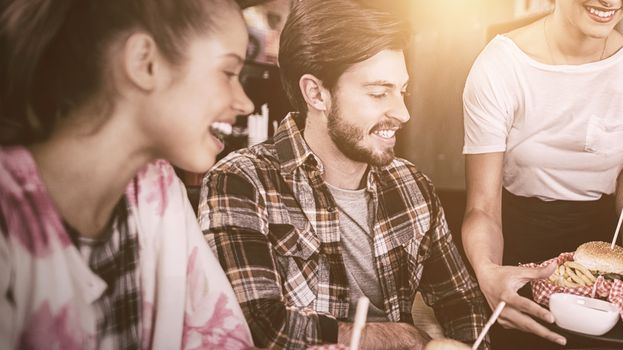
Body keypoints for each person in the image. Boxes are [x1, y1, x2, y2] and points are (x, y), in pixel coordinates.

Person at [197, 1, 490, 349]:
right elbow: (262, 326)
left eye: (403, 91)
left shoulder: (412, 186)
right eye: (379, 93)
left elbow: (462, 302)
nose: (403, 112)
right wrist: (404, 338)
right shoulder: (241, 182)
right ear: (316, 93)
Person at [0, 0, 254, 348]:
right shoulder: (8, 214)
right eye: (227, 73)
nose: (246, 103)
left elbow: (223, 337)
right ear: (144, 63)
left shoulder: (158, 191)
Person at [460, 0, 623, 347]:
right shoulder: (501, 66)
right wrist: (488, 272)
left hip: (604, 264)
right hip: (515, 252)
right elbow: (482, 207)